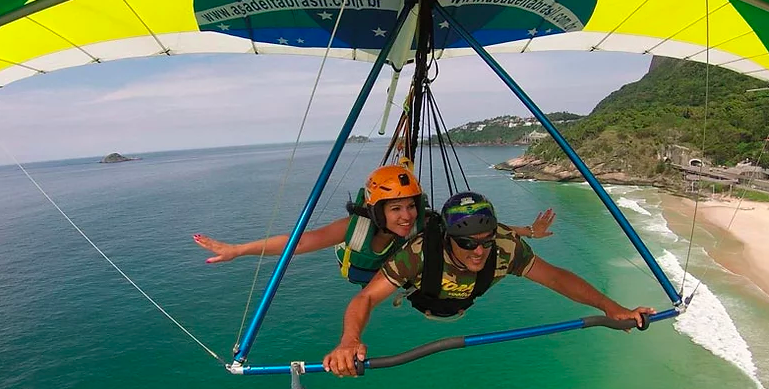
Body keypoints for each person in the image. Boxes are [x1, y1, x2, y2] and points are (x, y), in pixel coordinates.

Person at [322, 191, 655, 376]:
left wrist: (610, 307)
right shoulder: (419, 254)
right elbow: (366, 298)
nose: (479, 251)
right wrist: (350, 340)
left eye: (486, 240)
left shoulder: (506, 247)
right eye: (467, 243)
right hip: (426, 295)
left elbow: (555, 277)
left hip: (463, 302)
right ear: (450, 238)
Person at [194, 166, 556, 285]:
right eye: (395, 209)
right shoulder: (357, 228)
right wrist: (237, 250)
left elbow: (472, 229)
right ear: (376, 211)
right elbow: (301, 242)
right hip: (359, 273)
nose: (406, 216)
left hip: (396, 274)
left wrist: (527, 231)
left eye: (410, 207)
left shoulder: (424, 223)